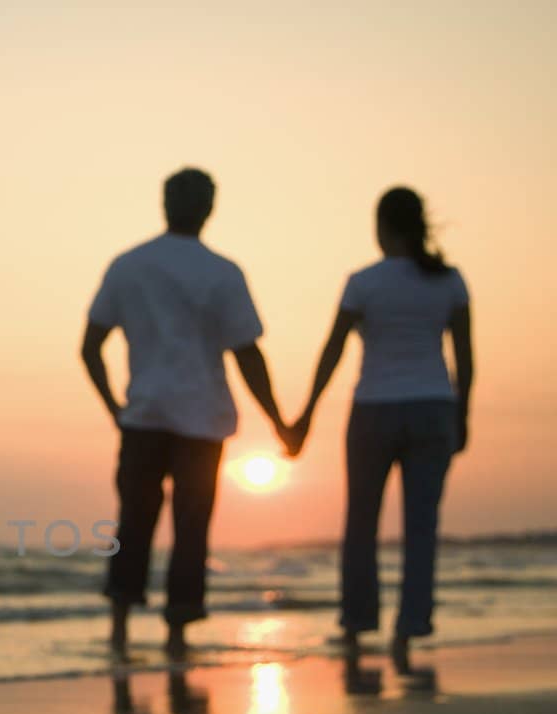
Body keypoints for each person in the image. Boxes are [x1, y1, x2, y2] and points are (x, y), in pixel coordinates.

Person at [81, 167, 292, 658]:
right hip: (203, 420)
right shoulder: (222, 271)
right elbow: (247, 353)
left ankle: (119, 628)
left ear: (164, 202)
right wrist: (279, 421)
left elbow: (89, 346)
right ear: (210, 208)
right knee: (191, 526)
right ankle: (176, 633)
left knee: (133, 522)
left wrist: (114, 405)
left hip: (144, 415)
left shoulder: (128, 264)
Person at [287, 186, 474, 670]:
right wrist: (462, 414)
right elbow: (466, 359)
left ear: (381, 228)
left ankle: (356, 621)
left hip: (374, 409)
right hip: (434, 407)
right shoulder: (449, 280)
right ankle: (410, 628)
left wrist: (307, 412)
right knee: (421, 527)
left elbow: (332, 350)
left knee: (361, 523)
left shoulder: (363, 282)